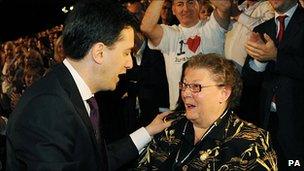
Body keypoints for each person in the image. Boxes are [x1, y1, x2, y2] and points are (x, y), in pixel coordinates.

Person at [6, 1, 172, 171]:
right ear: (99, 53)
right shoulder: (47, 108)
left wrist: (148, 131)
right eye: (125, 52)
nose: (129, 63)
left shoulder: (70, 92)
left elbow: (95, 162)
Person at [136, 53, 277, 170]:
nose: (185, 93)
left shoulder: (251, 142)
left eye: (195, 87)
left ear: (224, 93)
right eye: (184, 85)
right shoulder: (169, 125)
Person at [241, 0, 304, 169]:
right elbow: (249, 81)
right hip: (267, 123)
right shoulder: (261, 30)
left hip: (298, 124)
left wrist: (276, 57)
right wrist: (260, 61)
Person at [141, 0, 232, 110]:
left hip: (212, 108)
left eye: (190, 2)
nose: (185, 9)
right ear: (173, 10)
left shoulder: (213, 27)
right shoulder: (169, 34)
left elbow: (225, 5)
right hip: (181, 109)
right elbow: (146, 27)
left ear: (200, 5)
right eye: (180, 4)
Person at [225, 0, 274, 71]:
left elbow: (265, 28)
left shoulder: (269, 6)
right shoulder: (239, 6)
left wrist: (238, 15)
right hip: (228, 67)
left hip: (249, 69)